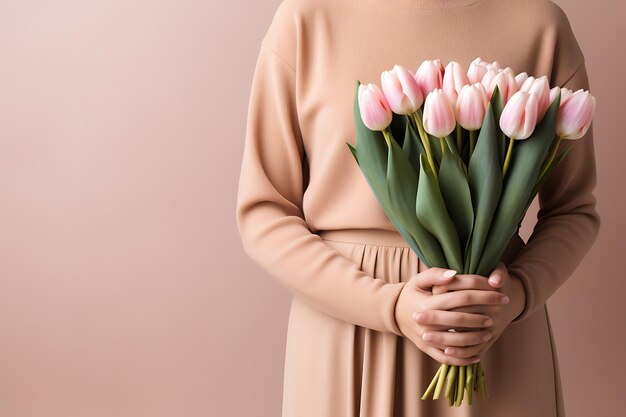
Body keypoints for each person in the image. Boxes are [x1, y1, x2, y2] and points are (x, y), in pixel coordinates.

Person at [235, 0, 601, 415]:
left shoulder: (539, 23)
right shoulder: (308, 17)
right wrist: (386, 304)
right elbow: (263, 211)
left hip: (488, 328)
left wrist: (515, 296)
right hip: (348, 326)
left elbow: (574, 209)